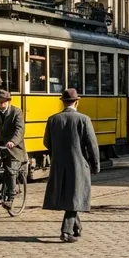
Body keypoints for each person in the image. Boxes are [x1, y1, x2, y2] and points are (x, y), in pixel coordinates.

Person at [43, 88, 100, 242]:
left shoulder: (53, 119)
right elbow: (92, 144)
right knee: (75, 195)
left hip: (58, 164)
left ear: (63, 102)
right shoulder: (84, 119)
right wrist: (95, 164)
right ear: (76, 102)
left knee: (71, 195)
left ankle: (77, 227)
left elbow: (46, 142)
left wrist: (58, 153)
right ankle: (66, 232)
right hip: (78, 164)